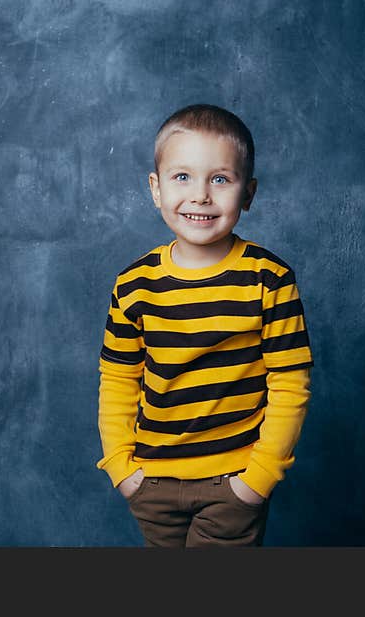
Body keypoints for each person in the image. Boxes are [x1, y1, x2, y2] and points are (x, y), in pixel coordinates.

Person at [96, 103, 314, 547]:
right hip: (152, 481)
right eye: (182, 177)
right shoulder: (134, 284)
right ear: (155, 189)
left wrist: (258, 479)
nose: (200, 195)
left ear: (247, 193)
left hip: (232, 483)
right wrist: (122, 468)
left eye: (220, 178)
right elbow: (118, 379)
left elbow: (290, 383)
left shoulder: (268, 279)